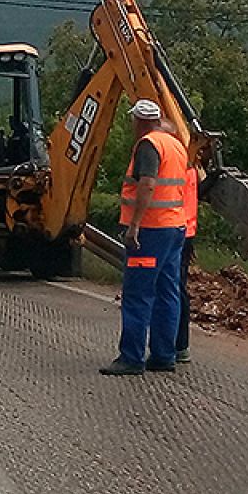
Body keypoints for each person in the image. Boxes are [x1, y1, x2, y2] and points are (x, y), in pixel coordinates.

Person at [100, 99, 188, 376]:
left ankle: (132, 358)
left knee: (138, 294)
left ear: (139, 120)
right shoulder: (175, 144)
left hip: (150, 230)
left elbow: (148, 184)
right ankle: (164, 355)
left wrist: (134, 225)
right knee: (167, 292)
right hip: (175, 228)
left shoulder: (148, 145)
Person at [175, 162, 198, 364]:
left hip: (172, 229)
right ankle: (180, 346)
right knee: (177, 289)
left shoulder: (178, 162)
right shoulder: (190, 166)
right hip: (186, 230)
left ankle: (177, 346)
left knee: (172, 289)